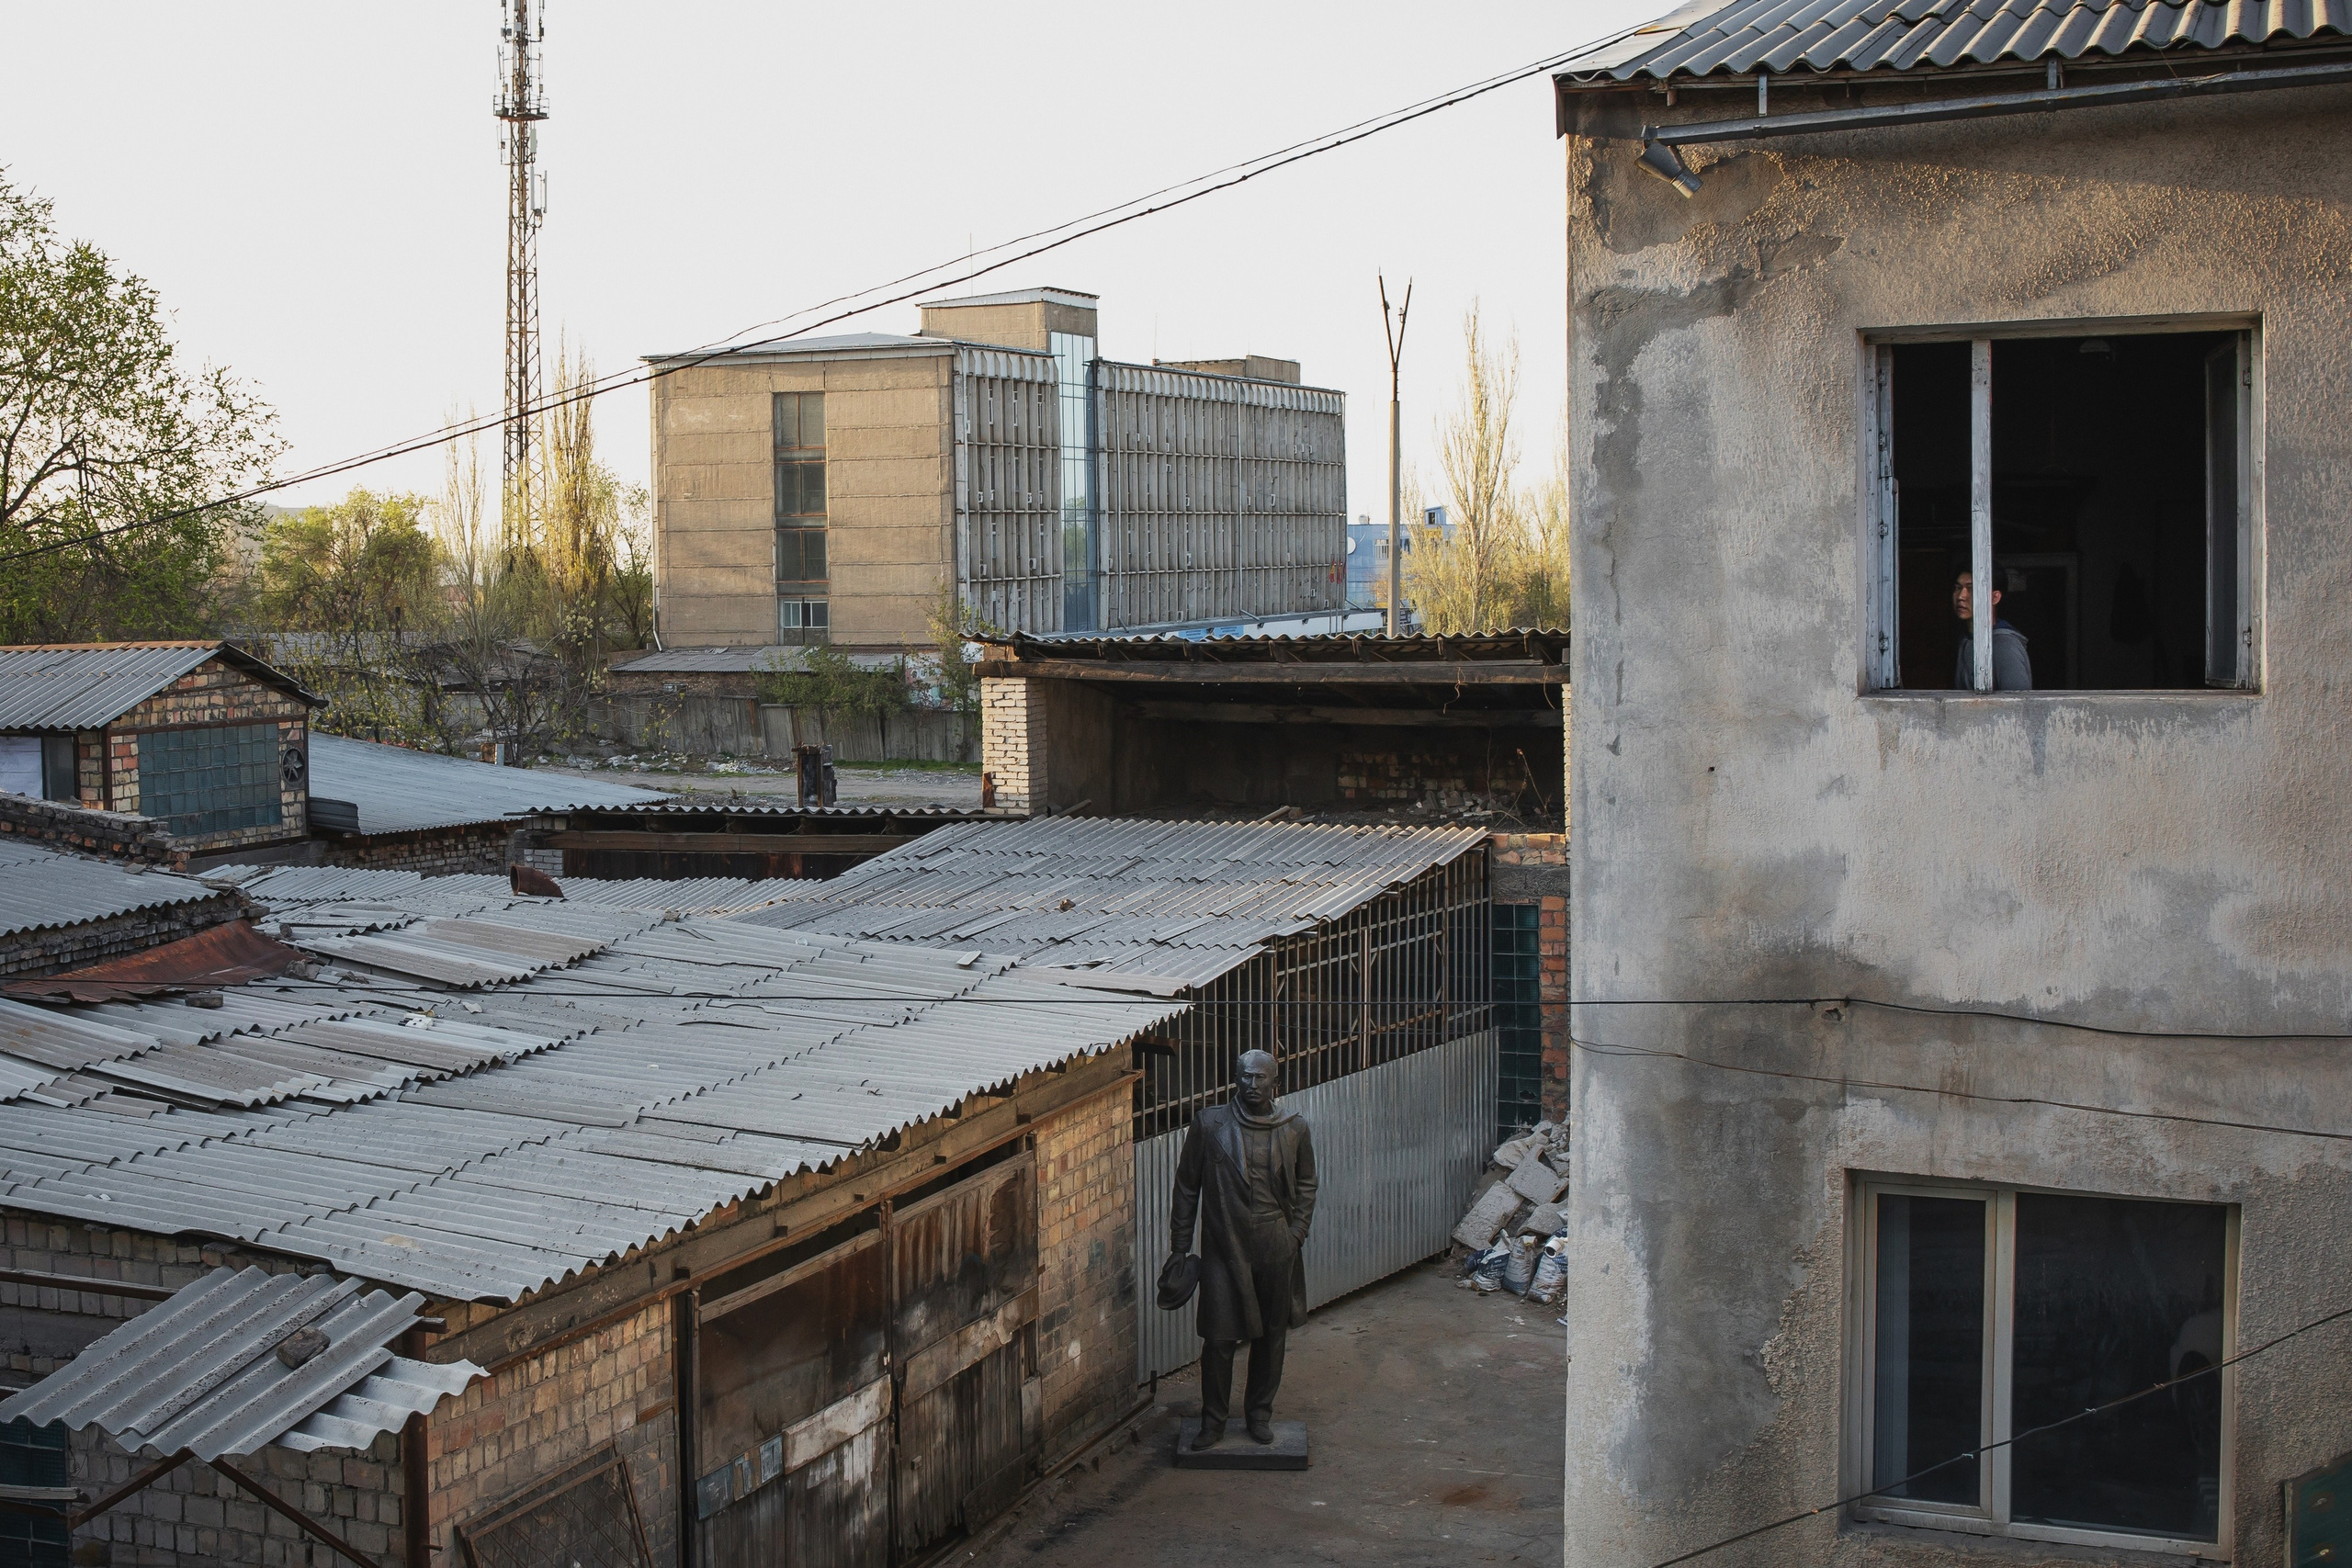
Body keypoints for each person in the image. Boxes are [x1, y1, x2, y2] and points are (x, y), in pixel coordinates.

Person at [1168, 1048, 1318, 1448]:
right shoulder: (1210, 1124)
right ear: (1236, 1079)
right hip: (1223, 1247)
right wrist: (1180, 1247)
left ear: (1275, 1082)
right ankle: (1213, 1422)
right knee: (1218, 1339)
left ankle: (1259, 1415)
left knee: (1271, 1337)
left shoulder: (1294, 1128)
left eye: (1260, 1079)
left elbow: (1307, 1184)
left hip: (1275, 1244)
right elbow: (1186, 1186)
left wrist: (1296, 1233)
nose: (1252, 1085)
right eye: (1246, 1077)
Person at [1952, 567, 2032, 691]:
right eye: (1958, 588)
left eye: (1971, 589)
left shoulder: (2005, 645)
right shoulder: (1967, 639)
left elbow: (2018, 704)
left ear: (1995, 598)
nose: (1961, 596)